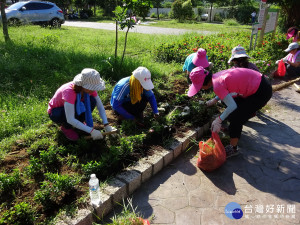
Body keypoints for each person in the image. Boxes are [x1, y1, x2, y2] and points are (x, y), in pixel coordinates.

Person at [188, 67, 272, 158]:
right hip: (259, 82)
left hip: (261, 92)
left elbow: (232, 105)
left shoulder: (217, 85)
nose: (200, 89)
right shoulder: (217, 76)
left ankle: (233, 148)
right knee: (229, 106)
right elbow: (226, 90)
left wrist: (218, 120)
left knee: (236, 117)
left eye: (200, 86)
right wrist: (214, 100)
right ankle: (236, 125)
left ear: (205, 83)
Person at [48, 68, 115, 141]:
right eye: (92, 88)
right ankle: (66, 128)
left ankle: (79, 122)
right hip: (57, 112)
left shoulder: (89, 90)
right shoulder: (69, 92)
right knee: (71, 113)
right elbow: (70, 119)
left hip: (73, 107)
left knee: (92, 100)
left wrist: (106, 124)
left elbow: (100, 106)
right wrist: (91, 131)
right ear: (84, 86)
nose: (94, 90)